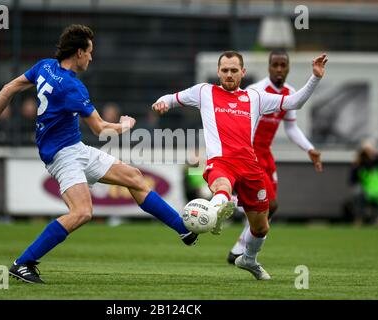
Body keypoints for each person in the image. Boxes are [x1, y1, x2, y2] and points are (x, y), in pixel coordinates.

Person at [0, 24, 198, 284]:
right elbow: (100, 128)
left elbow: (9, 87)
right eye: (90, 51)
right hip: (62, 155)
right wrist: (124, 126)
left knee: (135, 177)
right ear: (79, 52)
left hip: (75, 148)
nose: (92, 57)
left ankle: (184, 230)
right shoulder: (72, 87)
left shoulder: (45, 66)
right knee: (82, 212)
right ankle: (23, 263)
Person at [152, 50, 327, 280]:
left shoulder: (255, 97)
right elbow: (172, 98)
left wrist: (315, 77)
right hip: (221, 162)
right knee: (222, 184)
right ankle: (214, 212)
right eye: (224, 70)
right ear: (218, 71)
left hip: (250, 166)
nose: (229, 74)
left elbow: (295, 102)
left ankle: (248, 259)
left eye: (234, 70)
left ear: (242, 72)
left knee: (261, 227)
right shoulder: (204, 92)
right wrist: (162, 103)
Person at [227, 50, 323, 265]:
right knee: (269, 204)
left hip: (266, 154)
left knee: (269, 207)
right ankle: (230, 203)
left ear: (288, 68)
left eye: (283, 65)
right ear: (269, 67)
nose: (279, 69)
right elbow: (241, 123)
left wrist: (309, 149)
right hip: (250, 153)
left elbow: (290, 127)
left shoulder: (290, 93)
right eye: (275, 65)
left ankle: (237, 250)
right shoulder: (256, 91)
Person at [349, 140, 378, 225]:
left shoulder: (375, 160)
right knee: (358, 193)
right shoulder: (358, 163)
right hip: (363, 187)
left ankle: (376, 219)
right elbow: (352, 179)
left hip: (374, 187)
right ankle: (359, 219)